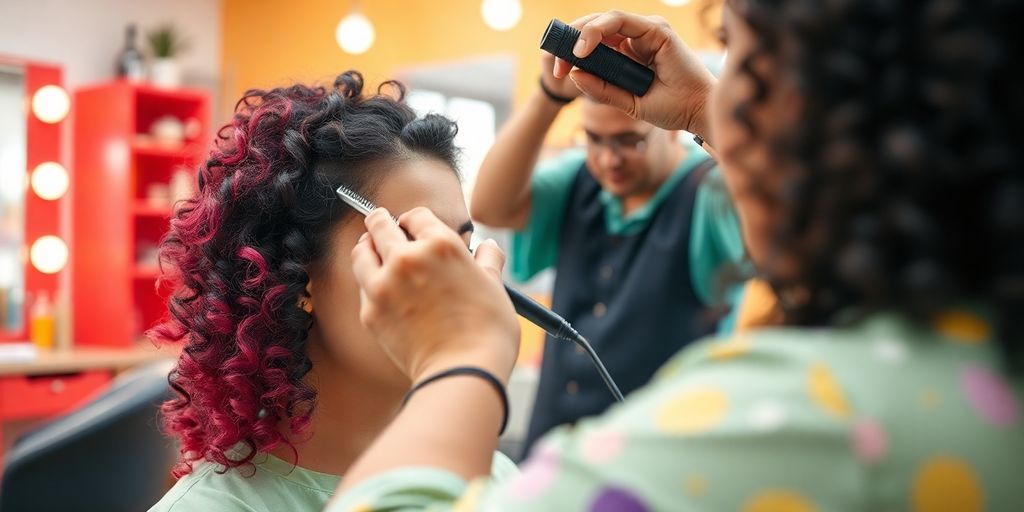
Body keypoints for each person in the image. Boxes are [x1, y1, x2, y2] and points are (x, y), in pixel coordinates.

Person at [328, 2, 1024, 510]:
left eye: (732, 46)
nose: (725, 94)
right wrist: (702, 107)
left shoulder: (813, 421)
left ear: (808, 94)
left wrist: (460, 357)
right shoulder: (980, 367)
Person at [147, 71, 517, 512]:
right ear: (299, 277)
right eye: (413, 246)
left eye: (462, 250)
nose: (457, 281)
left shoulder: (496, 476)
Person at [472, 52, 745, 453]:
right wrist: (549, 95)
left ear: (670, 129)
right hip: (551, 450)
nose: (609, 160)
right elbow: (488, 207)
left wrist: (701, 109)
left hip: (657, 460)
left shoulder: (710, 192)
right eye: (594, 140)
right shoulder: (577, 179)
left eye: (629, 141)